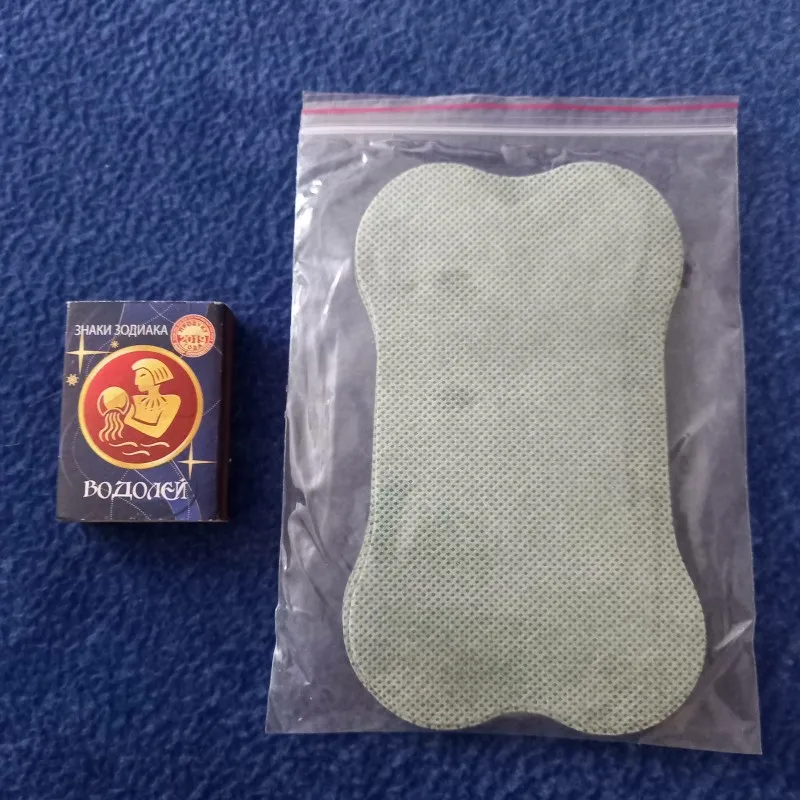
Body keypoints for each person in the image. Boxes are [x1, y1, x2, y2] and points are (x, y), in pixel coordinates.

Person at [124, 358, 181, 438]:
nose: (136, 382)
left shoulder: (173, 400)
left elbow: (157, 432)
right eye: (136, 376)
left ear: (157, 374)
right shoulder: (135, 399)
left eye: (142, 375)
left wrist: (130, 421)